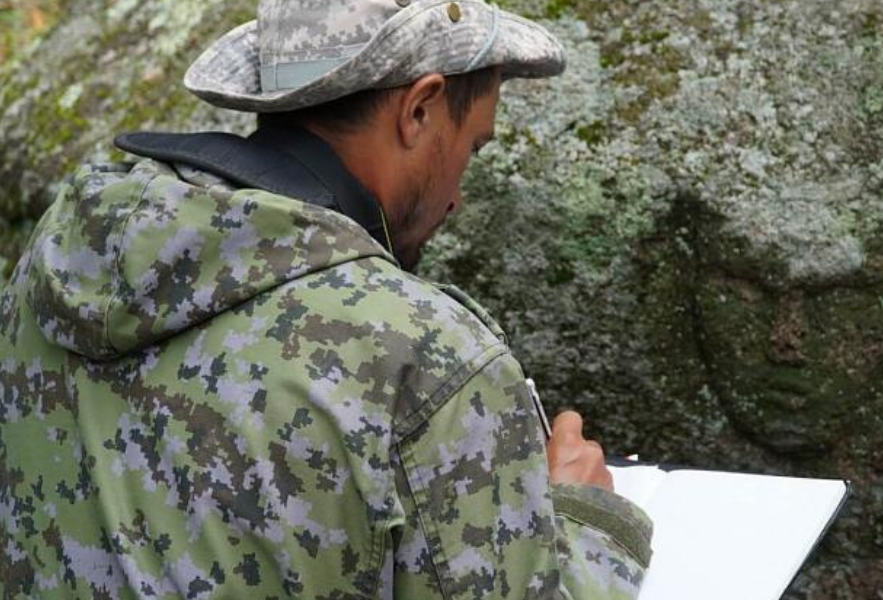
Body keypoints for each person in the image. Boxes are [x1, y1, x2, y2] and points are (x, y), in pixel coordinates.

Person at [0, 0, 652, 598]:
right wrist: (586, 519)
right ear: (420, 108)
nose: (457, 195)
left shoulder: (56, 262)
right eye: (472, 147)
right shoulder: (431, 361)